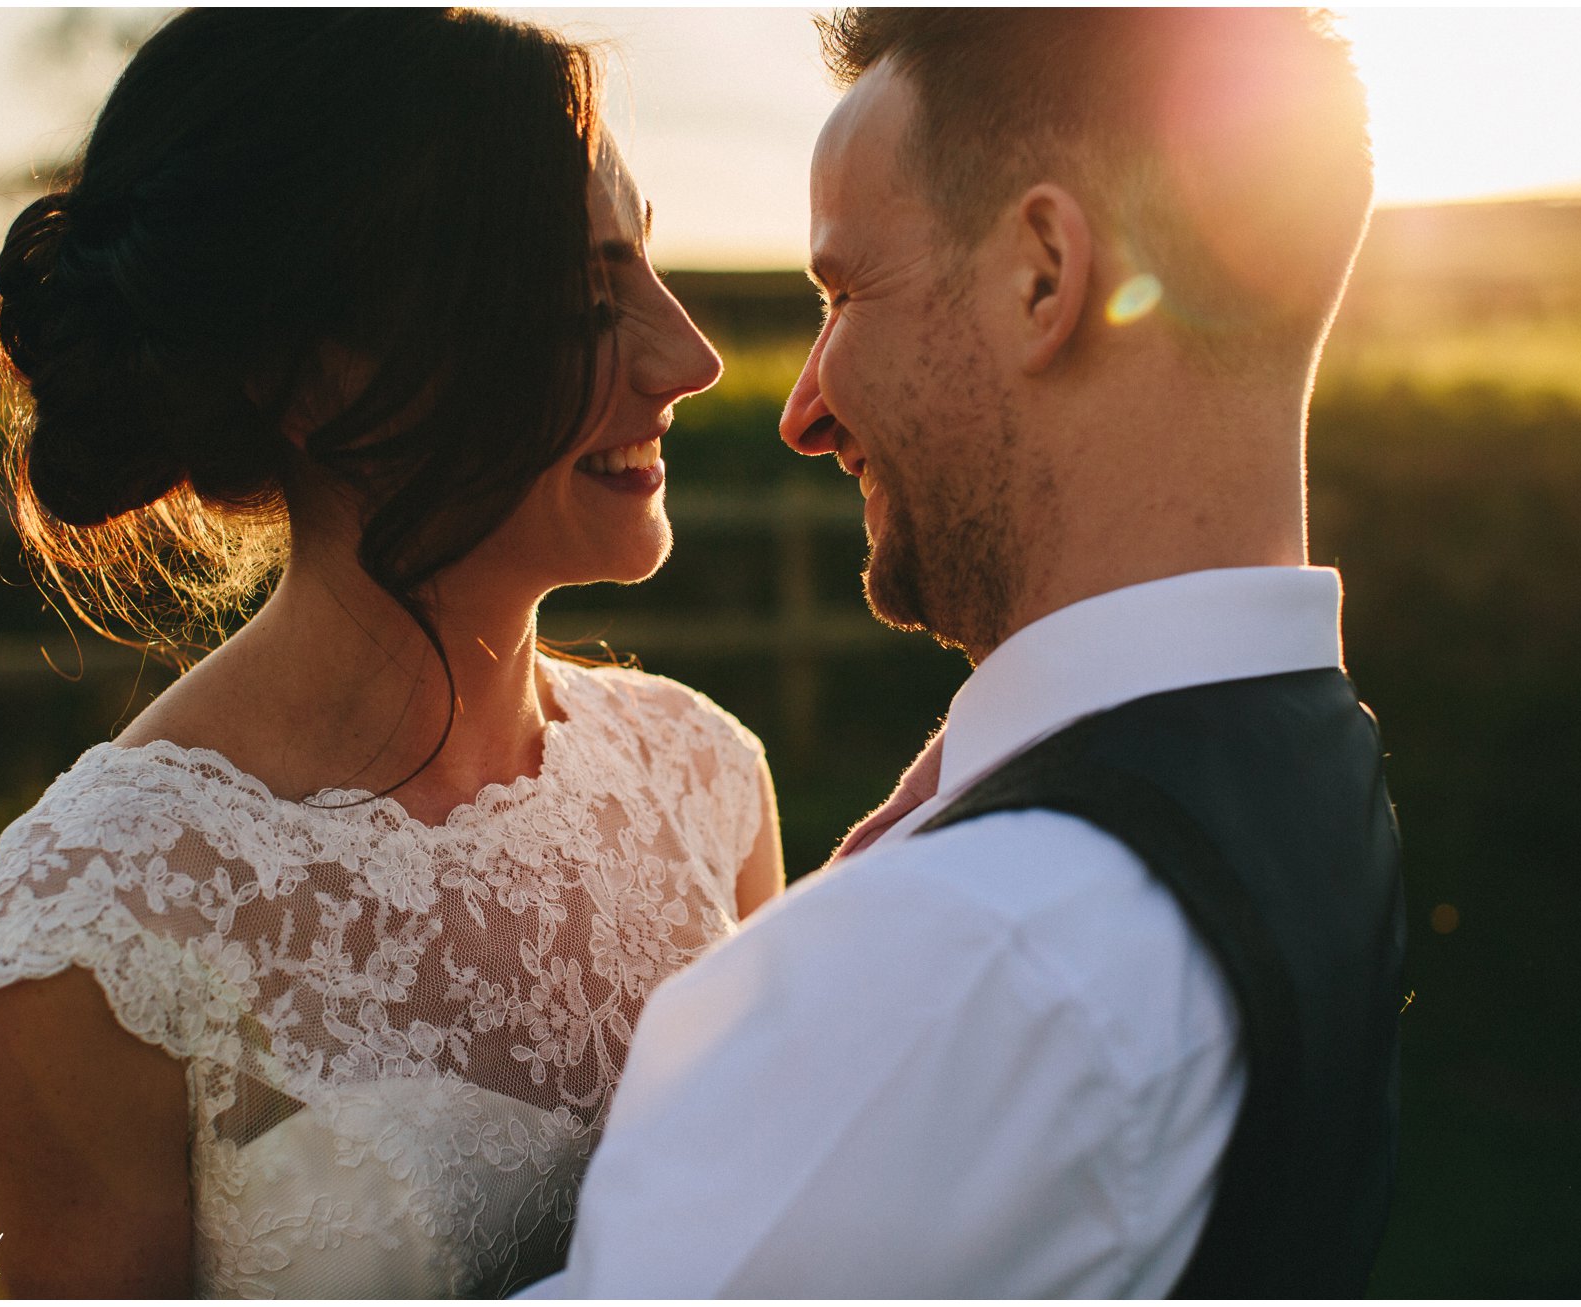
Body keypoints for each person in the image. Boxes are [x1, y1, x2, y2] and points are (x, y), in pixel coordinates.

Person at [527, 8, 1405, 1298]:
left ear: (1043, 273)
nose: (803, 408)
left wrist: (870, 954)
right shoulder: (1311, 751)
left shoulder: (959, 963)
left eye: (842, 295)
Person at [0, 9, 781, 1298]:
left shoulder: (705, 783)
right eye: (583, 300)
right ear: (314, 373)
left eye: (650, 269)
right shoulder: (103, 929)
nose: (691, 357)